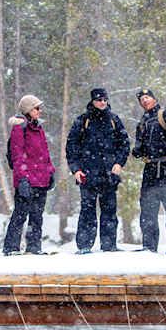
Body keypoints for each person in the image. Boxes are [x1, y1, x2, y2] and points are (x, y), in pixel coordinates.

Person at [66, 87, 130, 254]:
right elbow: (71, 147)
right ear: (93, 101)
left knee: (109, 211)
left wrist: (119, 163)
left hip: (109, 175)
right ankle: (84, 246)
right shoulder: (83, 120)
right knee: (87, 211)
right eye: (99, 99)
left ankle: (109, 246)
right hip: (87, 175)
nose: (102, 102)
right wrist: (75, 170)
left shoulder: (114, 120)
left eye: (104, 99)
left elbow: (124, 144)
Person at [131, 88, 166, 255]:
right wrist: (137, 150)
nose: (145, 101)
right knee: (147, 210)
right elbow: (139, 145)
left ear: (154, 99)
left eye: (147, 97)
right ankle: (149, 246)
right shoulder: (142, 122)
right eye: (142, 100)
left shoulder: (165, 115)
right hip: (150, 169)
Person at [3, 95, 56, 255]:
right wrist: (22, 179)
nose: (39, 111)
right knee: (20, 214)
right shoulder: (20, 128)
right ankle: (11, 247)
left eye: (39, 108)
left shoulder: (38, 128)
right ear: (28, 110)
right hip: (26, 180)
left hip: (41, 179)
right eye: (36, 108)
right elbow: (17, 156)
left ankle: (34, 247)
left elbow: (44, 154)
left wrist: (50, 172)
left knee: (37, 215)